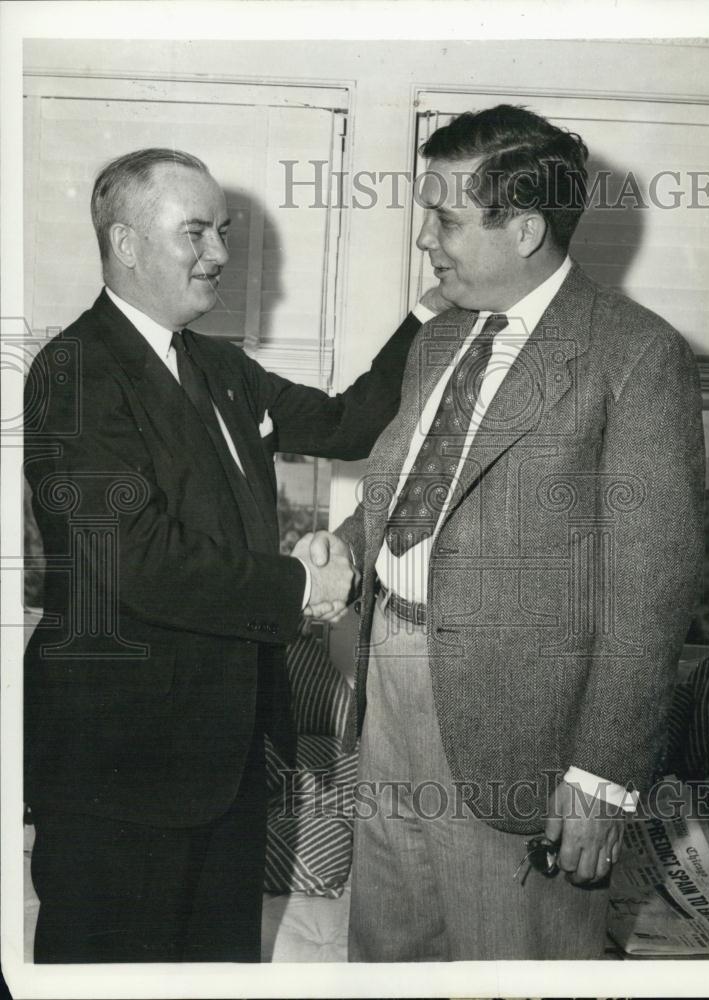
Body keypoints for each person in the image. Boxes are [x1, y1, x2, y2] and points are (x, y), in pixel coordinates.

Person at [305, 104, 705, 960]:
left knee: (510, 959)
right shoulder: (437, 337)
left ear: (523, 229)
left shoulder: (634, 355)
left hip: (525, 727)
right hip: (390, 685)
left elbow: (651, 590)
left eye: (444, 219)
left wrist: (602, 776)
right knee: (387, 947)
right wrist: (345, 541)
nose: (426, 241)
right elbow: (410, 486)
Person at [23, 147, 426, 963]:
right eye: (196, 233)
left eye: (224, 232)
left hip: (229, 753)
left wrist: (430, 309)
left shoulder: (218, 367)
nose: (219, 255)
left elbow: (348, 425)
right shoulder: (73, 372)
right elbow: (133, 561)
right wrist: (298, 583)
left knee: (217, 969)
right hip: (121, 761)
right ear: (127, 244)